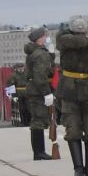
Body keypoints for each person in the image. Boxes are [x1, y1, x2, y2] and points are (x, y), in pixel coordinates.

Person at [55, 16, 88, 176]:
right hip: (69, 91)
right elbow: (65, 41)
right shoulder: (64, 38)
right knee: (73, 130)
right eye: (78, 32)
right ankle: (78, 168)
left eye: (83, 32)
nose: (81, 34)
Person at [23, 27, 57, 160]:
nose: (47, 38)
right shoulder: (40, 54)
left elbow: (48, 68)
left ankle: (39, 151)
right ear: (40, 38)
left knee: (40, 119)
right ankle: (39, 152)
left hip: (35, 90)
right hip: (39, 91)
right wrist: (46, 92)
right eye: (45, 36)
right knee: (38, 121)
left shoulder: (39, 52)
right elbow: (40, 75)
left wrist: (52, 54)